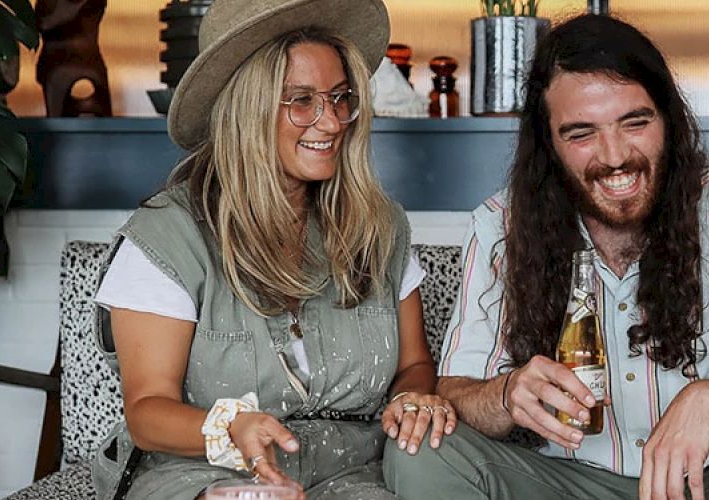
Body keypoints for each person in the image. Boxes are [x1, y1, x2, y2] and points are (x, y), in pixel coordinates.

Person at [382, 14, 709, 500]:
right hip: (560, 484)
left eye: (634, 123)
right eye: (581, 133)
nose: (616, 154)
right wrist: (507, 393)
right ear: (548, 145)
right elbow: (453, 391)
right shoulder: (499, 227)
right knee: (420, 450)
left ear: (668, 119)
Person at [86, 0, 456, 497]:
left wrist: (412, 399)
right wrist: (229, 428)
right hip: (204, 474)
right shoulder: (168, 237)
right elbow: (148, 411)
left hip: (354, 474)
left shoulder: (380, 227)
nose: (330, 123)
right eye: (302, 100)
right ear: (247, 106)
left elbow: (415, 365)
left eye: (340, 97)